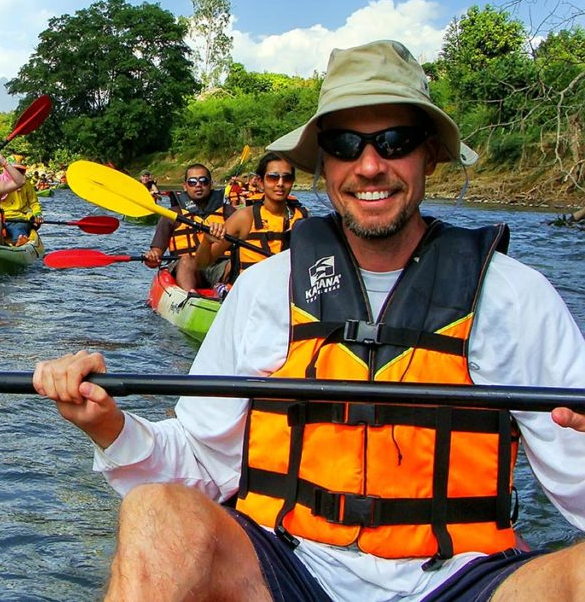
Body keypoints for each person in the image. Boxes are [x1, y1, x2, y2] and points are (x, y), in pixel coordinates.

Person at [33, 40, 585, 601]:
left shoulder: (515, 297)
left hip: (466, 578)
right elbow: (202, 459)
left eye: (395, 141)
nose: (370, 165)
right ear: (324, 162)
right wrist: (107, 426)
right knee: (155, 512)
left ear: (430, 155)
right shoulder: (264, 288)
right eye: (346, 144)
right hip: (286, 566)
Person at [198, 152, 309, 285]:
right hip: (251, 295)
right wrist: (206, 241)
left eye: (287, 178)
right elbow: (202, 264)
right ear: (261, 183)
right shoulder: (244, 218)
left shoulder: (303, 217)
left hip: (288, 294)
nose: (280, 183)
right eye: (273, 178)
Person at [143, 164, 235, 292]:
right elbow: (157, 252)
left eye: (203, 181)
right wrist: (152, 258)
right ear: (185, 186)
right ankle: (190, 299)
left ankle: (231, 294)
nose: (198, 185)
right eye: (192, 182)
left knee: (236, 263)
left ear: (211, 184)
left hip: (220, 265)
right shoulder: (171, 215)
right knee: (186, 260)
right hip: (186, 267)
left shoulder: (230, 213)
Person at [0, 157, 43, 245]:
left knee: (19, 230)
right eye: (14, 170)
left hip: (20, 219)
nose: (17, 173)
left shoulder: (26, 184)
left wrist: (37, 213)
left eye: (19, 170)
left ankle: (20, 241)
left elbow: (34, 202)